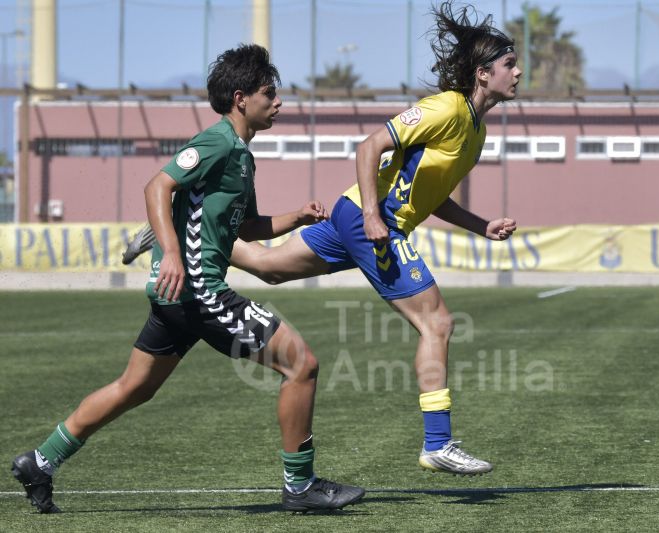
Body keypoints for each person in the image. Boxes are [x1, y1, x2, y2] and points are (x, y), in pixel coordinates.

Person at [122, 1, 520, 476]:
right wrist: (374, 216)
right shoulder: (448, 108)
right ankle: (438, 442)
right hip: (371, 221)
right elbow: (370, 146)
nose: (517, 72)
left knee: (268, 268)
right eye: (509, 64)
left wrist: (482, 226)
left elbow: (431, 194)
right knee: (437, 323)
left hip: (362, 218)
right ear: (481, 74)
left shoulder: (475, 129)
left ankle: (181, 215)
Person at [11, 44, 364, 514]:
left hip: (179, 296)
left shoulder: (240, 157)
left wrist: (296, 216)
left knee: (133, 387)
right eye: (269, 93)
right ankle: (300, 487)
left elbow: (246, 228)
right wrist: (173, 255)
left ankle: (41, 461)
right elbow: (157, 185)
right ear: (241, 98)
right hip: (197, 289)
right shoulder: (217, 142)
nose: (278, 102)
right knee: (301, 365)